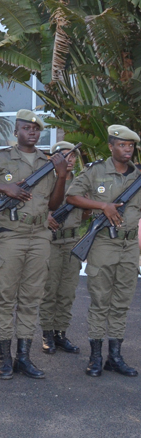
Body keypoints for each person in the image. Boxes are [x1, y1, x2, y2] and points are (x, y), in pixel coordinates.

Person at [0, 110, 68, 380]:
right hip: (10, 234)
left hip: (40, 236)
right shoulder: (2, 158)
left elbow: (54, 205)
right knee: (6, 298)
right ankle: (5, 358)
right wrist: (3, 189)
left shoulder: (49, 161)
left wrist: (63, 175)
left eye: (36, 129)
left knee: (31, 299)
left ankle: (24, 357)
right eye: (26, 128)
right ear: (16, 131)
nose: (32, 132)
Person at [66, 125, 141, 377]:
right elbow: (72, 196)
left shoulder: (138, 176)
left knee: (121, 303)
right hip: (103, 244)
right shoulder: (96, 171)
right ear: (111, 147)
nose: (127, 149)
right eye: (122, 144)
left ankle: (115, 357)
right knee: (99, 301)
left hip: (129, 246)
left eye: (131, 145)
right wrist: (103, 206)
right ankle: (96, 357)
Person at [39, 142, 86, 356]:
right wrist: (45, 217)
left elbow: (86, 215)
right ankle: (47, 333)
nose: (68, 159)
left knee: (67, 291)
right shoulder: (46, 182)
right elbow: (35, 206)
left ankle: (61, 333)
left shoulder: (82, 183)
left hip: (72, 242)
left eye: (72, 156)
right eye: (63, 155)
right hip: (50, 241)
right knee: (49, 290)